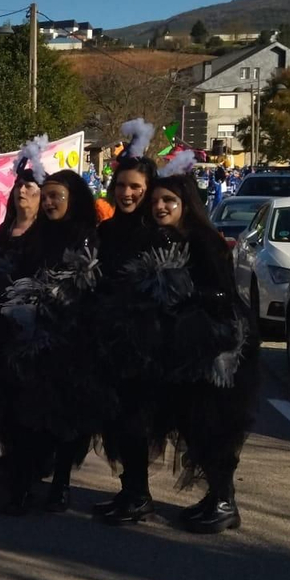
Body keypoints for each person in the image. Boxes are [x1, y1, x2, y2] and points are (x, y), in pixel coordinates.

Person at [148, 159, 259, 533]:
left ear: (186, 205)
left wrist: (183, 293)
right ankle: (215, 497)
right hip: (185, 350)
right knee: (192, 427)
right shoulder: (166, 239)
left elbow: (223, 290)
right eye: (156, 201)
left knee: (214, 427)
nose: (160, 207)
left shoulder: (203, 239)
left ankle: (225, 501)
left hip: (217, 351)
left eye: (169, 201)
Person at [0, 169, 103, 513]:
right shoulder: (36, 235)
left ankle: (60, 484)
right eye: (46, 196)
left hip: (70, 339)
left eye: (56, 196)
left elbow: (88, 286)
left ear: (72, 199)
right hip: (32, 338)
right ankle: (24, 482)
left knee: (64, 418)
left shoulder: (86, 237)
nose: (48, 202)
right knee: (27, 415)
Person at [92, 120, 164, 524]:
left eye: (135, 186)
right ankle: (130, 490)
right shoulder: (107, 230)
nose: (127, 193)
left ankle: (140, 495)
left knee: (138, 421)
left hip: (147, 341)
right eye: (121, 186)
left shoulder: (158, 230)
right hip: (110, 338)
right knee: (116, 421)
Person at [0, 138, 51, 299]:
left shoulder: (44, 232)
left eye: (28, 186)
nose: (21, 191)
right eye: (18, 185)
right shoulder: (5, 229)